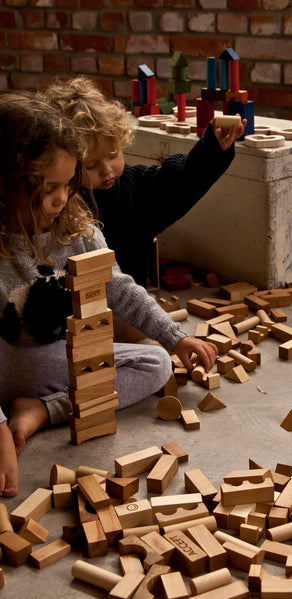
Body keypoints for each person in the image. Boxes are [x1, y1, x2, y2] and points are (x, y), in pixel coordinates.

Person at [0, 91, 218, 497]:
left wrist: (175, 336)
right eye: (48, 188)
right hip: (3, 366)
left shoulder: (78, 230)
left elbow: (120, 288)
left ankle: (44, 410)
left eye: (68, 185)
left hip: (51, 362)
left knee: (155, 363)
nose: (61, 199)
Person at [41, 75, 246, 288]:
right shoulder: (58, 204)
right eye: (90, 166)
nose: (107, 171)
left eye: (113, 155)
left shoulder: (134, 188)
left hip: (131, 309)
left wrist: (213, 149)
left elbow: (180, 183)